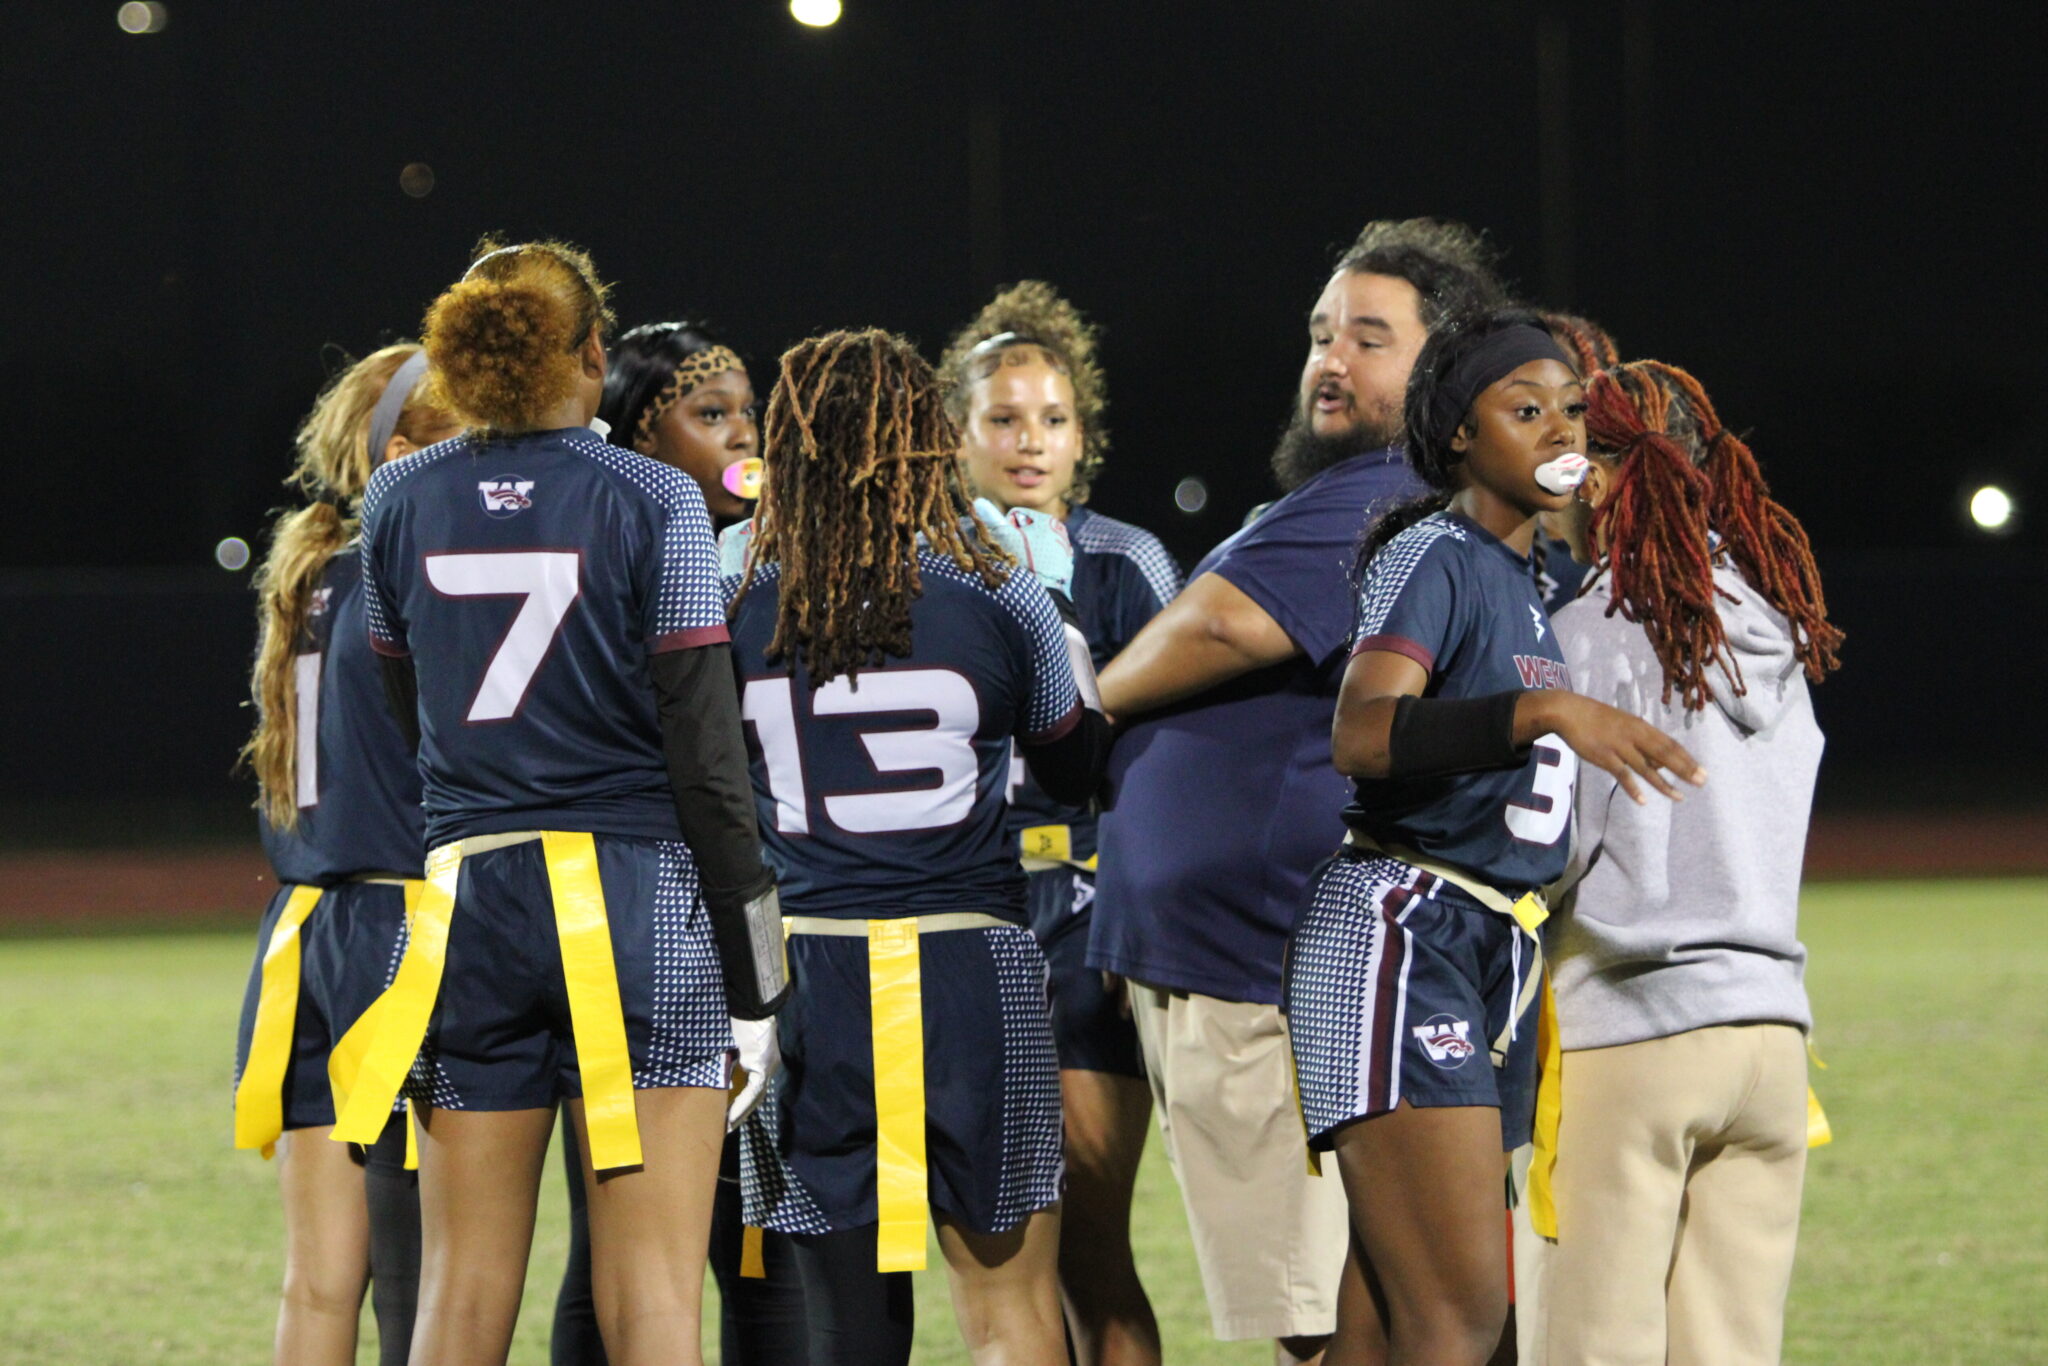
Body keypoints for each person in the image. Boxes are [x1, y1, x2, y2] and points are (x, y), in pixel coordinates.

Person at [332, 238, 787, 1366]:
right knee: (653, 1307)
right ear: (592, 350)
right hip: (637, 899)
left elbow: (413, 705)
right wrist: (757, 964)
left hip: (469, 899)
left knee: (457, 1297)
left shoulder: (396, 496)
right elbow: (703, 746)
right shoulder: (648, 496)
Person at [1088, 218, 1504, 1363]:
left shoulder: (1391, 482)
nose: (1329, 359)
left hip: (1254, 960)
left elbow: (1226, 621)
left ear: (1441, 368)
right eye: (1321, 333)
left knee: (1318, 1318)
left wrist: (1079, 716)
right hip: (1269, 953)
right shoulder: (1390, 491)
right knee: (1373, 1308)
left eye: (1368, 338)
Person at [1284, 309, 1705, 1366]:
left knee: (1390, 1321)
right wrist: (1541, 713)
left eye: (1569, 409)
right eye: (1523, 411)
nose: (1557, 431)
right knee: (1463, 1317)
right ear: (1458, 437)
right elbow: (1361, 731)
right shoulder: (1434, 550)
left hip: (1486, 951)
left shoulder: (1541, 582)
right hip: (1401, 926)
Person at [728, 328, 1113, 1366]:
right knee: (1006, 1306)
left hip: (806, 970)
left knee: (843, 1328)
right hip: (967, 963)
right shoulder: (995, 591)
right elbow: (1078, 768)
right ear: (926, 439)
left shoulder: (738, 595)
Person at [1537, 359, 1842, 1365]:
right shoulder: (1776, 624)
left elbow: (1551, 846)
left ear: (1598, 477)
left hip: (1633, 1031)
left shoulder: (1590, 631)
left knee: (1594, 1349)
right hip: (1767, 1037)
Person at [548, 319, 806, 1366]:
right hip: (673, 932)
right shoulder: (648, 568)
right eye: (709, 416)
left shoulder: (776, 566)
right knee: (638, 1251)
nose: (742, 435)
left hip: (742, 921)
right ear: (641, 445)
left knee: (749, 1241)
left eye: (748, 413)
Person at [940, 280, 1180, 1366]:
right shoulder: (926, 558)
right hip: (959, 913)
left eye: (1050, 418)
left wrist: (1141, 922)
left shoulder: (1122, 562)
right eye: (1002, 417)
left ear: (1082, 434)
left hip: (1083, 915)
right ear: (956, 432)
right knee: (989, 1250)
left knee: (1084, 1238)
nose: (1028, 442)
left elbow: (1164, 764)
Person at [233, 341, 458, 1366]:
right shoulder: (418, 572)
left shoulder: (314, 570)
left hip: (305, 937)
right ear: (405, 450)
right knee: (420, 1285)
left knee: (321, 1283)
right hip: (397, 939)